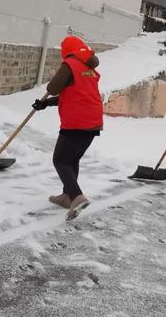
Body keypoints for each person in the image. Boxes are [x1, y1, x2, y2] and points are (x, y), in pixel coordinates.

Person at [32, 36, 103, 221]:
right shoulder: (88, 68)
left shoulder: (71, 63)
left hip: (77, 122)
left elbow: (54, 87)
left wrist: (50, 93)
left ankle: (77, 196)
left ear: (67, 50)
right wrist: (46, 103)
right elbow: (73, 95)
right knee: (72, 160)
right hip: (93, 121)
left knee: (60, 160)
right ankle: (66, 196)